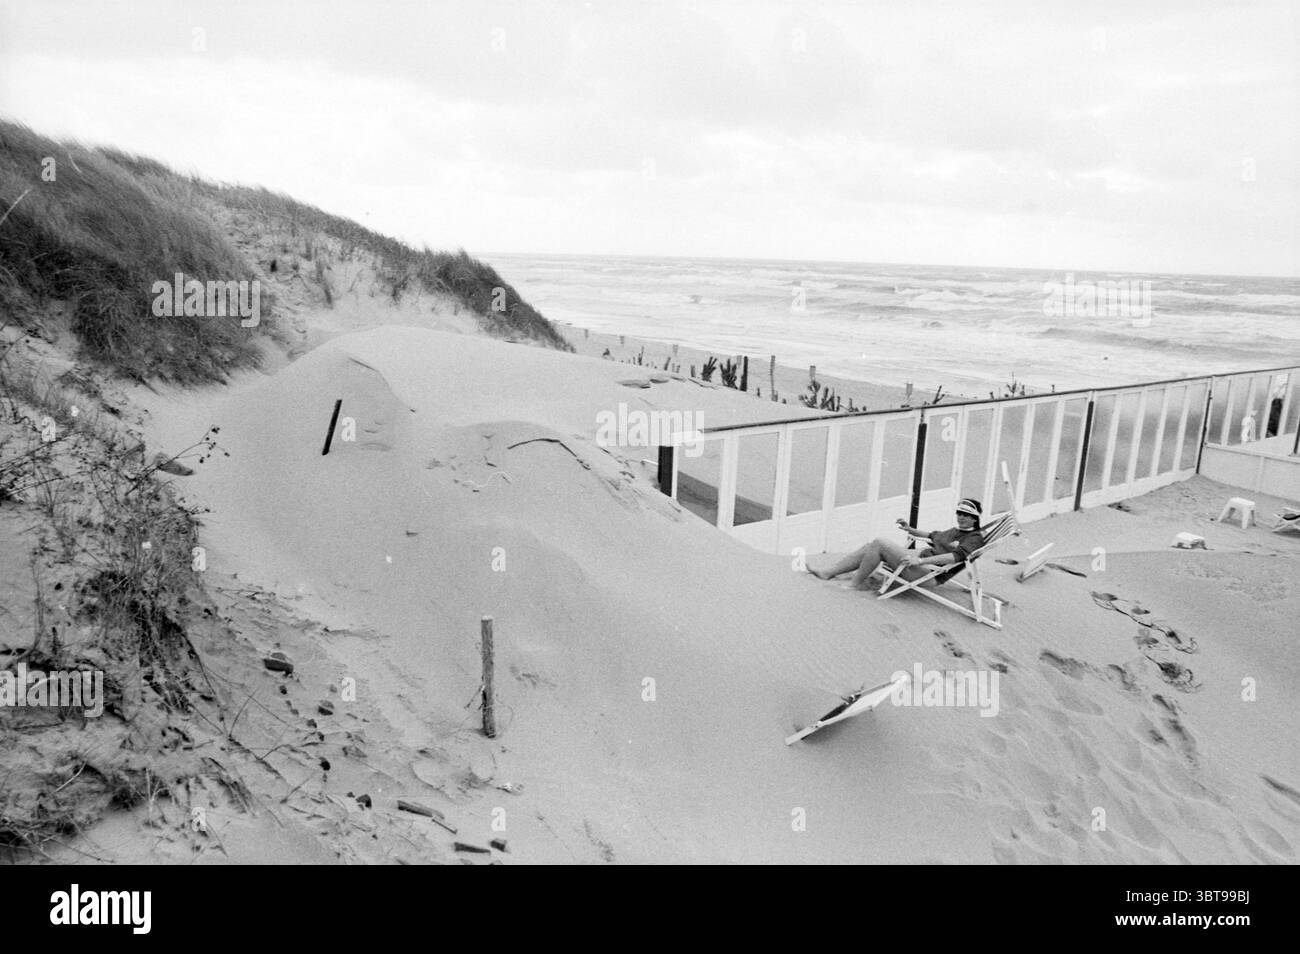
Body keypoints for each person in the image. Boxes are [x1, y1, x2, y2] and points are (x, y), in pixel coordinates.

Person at [809, 498, 986, 590]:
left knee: (879, 543)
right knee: (871, 545)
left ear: (975, 518)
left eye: (966, 514)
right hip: (921, 562)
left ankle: (854, 584)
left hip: (928, 573)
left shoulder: (974, 538)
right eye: (959, 513)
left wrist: (920, 562)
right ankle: (828, 572)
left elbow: (956, 557)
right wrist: (909, 528)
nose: (961, 517)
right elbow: (932, 536)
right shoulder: (957, 531)